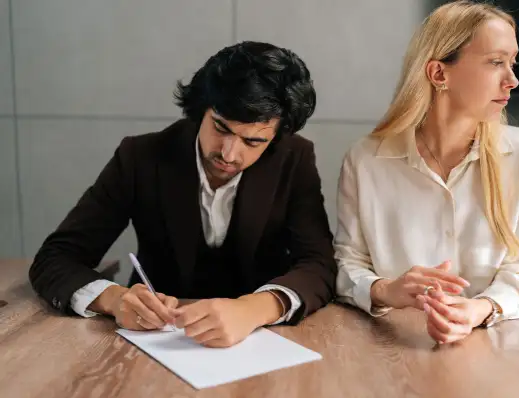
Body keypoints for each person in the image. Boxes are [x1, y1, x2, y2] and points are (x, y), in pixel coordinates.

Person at [29, 41, 337, 348]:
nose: (229, 154)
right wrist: (114, 299)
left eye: (253, 142)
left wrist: (254, 309)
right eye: (220, 127)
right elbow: (55, 258)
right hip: (155, 341)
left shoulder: (294, 159)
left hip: (260, 341)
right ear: (201, 108)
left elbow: (319, 264)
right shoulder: (140, 157)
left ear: (276, 137)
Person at [334, 1, 519, 344]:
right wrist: (386, 290)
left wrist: (477, 310)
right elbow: (348, 264)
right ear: (439, 74)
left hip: (497, 342)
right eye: (496, 62)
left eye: (512, 63)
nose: (512, 80)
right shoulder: (366, 159)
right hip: (389, 346)